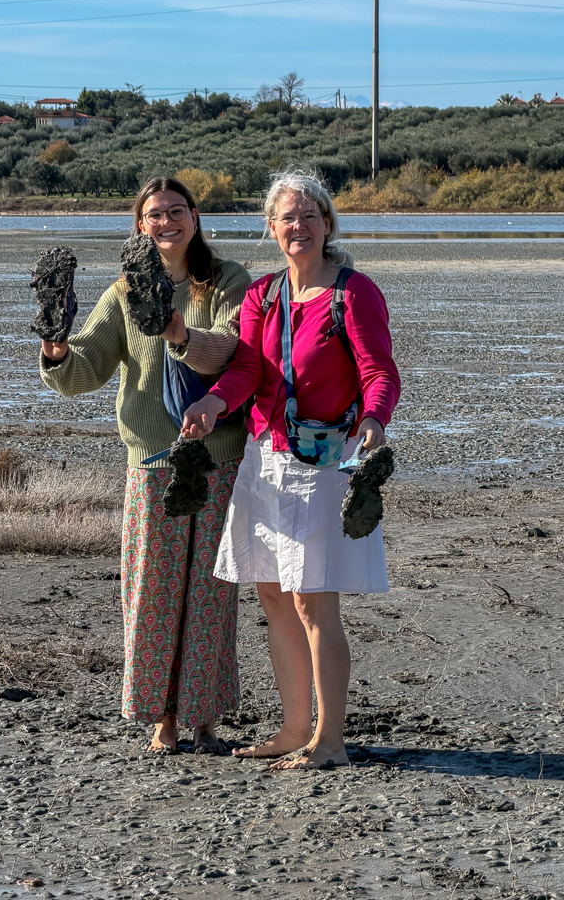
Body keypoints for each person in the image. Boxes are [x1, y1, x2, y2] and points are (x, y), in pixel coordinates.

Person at [182, 166, 400, 770]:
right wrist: (213, 403)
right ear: (272, 229)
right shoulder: (263, 295)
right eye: (287, 218)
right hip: (264, 459)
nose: (298, 225)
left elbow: (379, 371)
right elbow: (248, 369)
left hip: (323, 465)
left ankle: (330, 741)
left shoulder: (354, 293)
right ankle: (294, 727)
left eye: (309, 215)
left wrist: (374, 419)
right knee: (275, 599)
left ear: (327, 224)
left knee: (314, 605)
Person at [39, 176, 250, 754]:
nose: (166, 222)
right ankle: (163, 718)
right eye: (155, 214)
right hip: (152, 462)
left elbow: (232, 350)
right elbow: (85, 369)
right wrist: (55, 346)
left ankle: (204, 719)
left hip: (217, 460)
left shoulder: (227, 280)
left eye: (177, 211)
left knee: (211, 593)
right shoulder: (122, 293)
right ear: (140, 225)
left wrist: (177, 330)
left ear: (195, 217)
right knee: (151, 593)